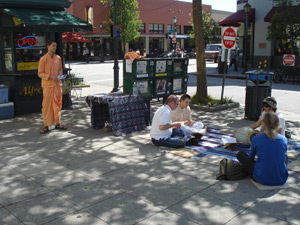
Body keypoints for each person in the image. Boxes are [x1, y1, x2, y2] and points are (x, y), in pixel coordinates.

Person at [237, 112, 288, 185]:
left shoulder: (257, 138)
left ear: (264, 125)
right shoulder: (284, 139)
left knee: (240, 154)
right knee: (285, 157)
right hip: (281, 179)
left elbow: (251, 157)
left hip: (260, 178)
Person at [38, 40, 67, 134]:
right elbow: (40, 73)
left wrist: (60, 75)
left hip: (57, 85)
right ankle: (46, 125)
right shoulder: (43, 59)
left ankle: (57, 123)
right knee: (47, 106)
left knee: (58, 105)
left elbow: (60, 70)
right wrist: (50, 76)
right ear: (48, 46)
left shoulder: (58, 58)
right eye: (53, 46)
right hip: (48, 86)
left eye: (56, 46)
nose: (55, 47)